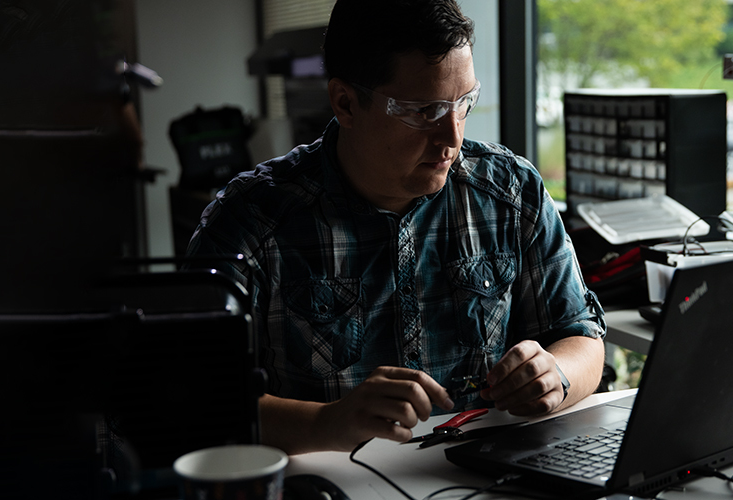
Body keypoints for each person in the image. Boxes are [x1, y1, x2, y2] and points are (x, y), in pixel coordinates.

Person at [186, 0, 606, 455]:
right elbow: (193, 398)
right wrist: (326, 422)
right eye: (424, 111)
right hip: (332, 477)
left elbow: (582, 337)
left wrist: (556, 375)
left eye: (463, 103)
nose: (452, 138)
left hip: (481, 471)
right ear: (345, 103)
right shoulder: (251, 222)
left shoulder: (510, 191)